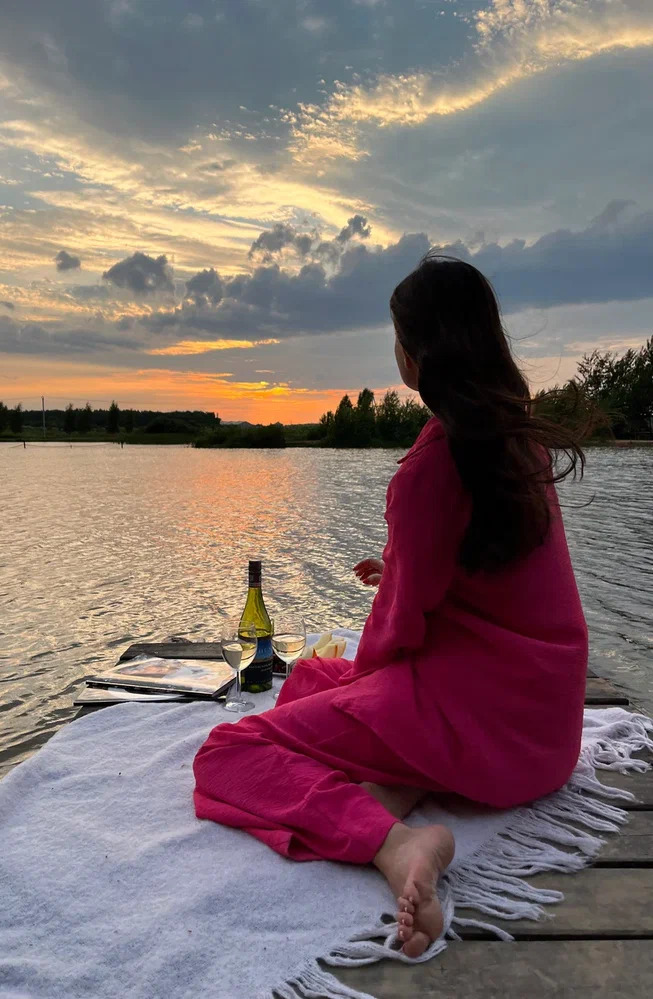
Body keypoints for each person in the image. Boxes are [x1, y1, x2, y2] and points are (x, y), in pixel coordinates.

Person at [192, 256, 589, 958]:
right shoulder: (514, 442)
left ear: (414, 355)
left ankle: (397, 842)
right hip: (545, 736)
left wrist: (380, 651)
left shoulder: (432, 465)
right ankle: (397, 783)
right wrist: (399, 571)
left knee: (231, 750)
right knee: (311, 679)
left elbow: (395, 635)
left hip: (478, 725)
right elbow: (485, 576)